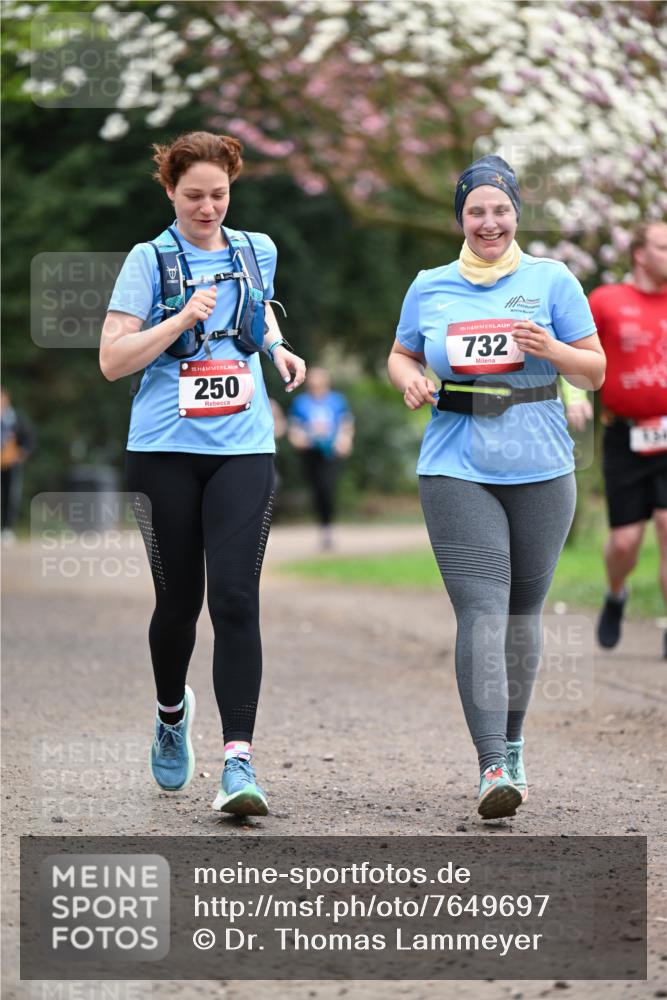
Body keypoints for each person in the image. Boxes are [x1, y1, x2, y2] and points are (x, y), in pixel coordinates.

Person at [388, 155, 605, 820]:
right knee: (481, 614)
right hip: (456, 465)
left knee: (519, 618)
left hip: (542, 467)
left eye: (500, 210)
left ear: (515, 215)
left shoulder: (552, 280)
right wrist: (408, 378)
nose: (488, 221)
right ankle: (489, 767)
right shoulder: (430, 285)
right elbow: (401, 352)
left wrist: (552, 349)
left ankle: (511, 745)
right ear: (460, 217)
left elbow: (593, 371)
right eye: (476, 210)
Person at [99, 131, 306, 817]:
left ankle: (239, 764)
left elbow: (259, 317)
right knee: (178, 603)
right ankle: (168, 712)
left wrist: (278, 351)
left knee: (237, 600)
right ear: (169, 190)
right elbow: (112, 359)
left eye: (218, 194)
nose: (208, 207)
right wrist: (178, 320)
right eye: (194, 196)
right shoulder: (147, 260)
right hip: (162, 450)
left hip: (243, 446)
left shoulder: (257, 249)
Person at [587, 221, 667, 657]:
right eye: (663, 247)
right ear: (639, 253)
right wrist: (576, 397)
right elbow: (576, 351)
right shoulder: (606, 301)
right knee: (625, 542)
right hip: (625, 436)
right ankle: (616, 592)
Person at [287, 366, 354, 550]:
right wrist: (298, 439)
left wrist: (345, 440)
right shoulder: (301, 402)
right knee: (317, 489)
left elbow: (345, 423)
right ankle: (323, 525)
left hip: (331, 451)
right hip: (310, 452)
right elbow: (294, 427)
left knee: (327, 486)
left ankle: (328, 527)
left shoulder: (337, 400)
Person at [1, 387, 35, 542]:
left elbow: (29, 439)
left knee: (10, 496)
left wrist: (22, 454)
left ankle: (7, 529)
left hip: (11, 464)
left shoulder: (16, 419)